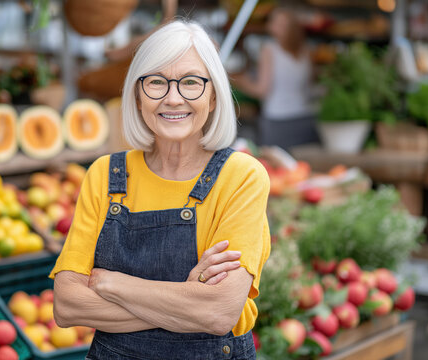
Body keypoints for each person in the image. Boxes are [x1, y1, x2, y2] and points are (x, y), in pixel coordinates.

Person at [51, 20, 270, 359]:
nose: (173, 98)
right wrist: (186, 299)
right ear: (138, 95)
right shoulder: (104, 175)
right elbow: (67, 306)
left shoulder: (241, 177)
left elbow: (217, 312)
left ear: (213, 96)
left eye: (191, 83)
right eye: (156, 82)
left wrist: (114, 284)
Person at [233, 8, 318, 149]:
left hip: (278, 119)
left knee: (276, 166)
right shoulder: (306, 49)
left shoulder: (269, 49)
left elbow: (261, 90)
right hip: (305, 117)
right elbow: (310, 84)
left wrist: (236, 80)